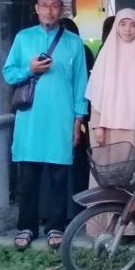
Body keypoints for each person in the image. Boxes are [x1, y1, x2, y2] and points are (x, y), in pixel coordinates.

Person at [3, 0, 89, 250]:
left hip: (61, 119)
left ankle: (56, 226)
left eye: (54, 6)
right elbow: (8, 73)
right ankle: (27, 226)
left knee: (58, 176)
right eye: (44, 5)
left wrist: (78, 120)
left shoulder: (74, 42)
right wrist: (29, 69)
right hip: (30, 119)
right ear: (36, 8)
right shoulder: (23, 38)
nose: (49, 10)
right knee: (28, 176)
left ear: (61, 10)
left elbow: (80, 84)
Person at [86, 7, 135, 160]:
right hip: (108, 126)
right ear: (116, 26)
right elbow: (97, 91)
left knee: (133, 171)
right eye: (123, 24)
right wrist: (98, 125)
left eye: (133, 24)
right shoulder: (107, 54)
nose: (128, 29)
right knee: (109, 171)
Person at [60, 18, 94, 198]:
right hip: (62, 114)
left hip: (77, 115)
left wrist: (80, 116)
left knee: (74, 162)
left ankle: (73, 207)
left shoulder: (82, 51)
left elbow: (84, 85)